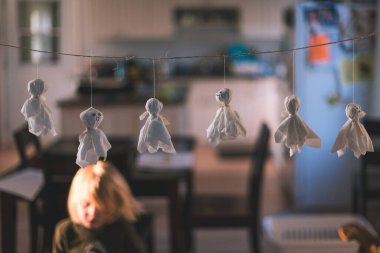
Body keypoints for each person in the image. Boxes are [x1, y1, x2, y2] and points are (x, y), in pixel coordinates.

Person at [52, 161, 146, 253]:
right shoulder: (65, 231)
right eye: (86, 204)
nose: (92, 213)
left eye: (101, 207)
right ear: (75, 201)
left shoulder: (122, 229)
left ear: (114, 205)